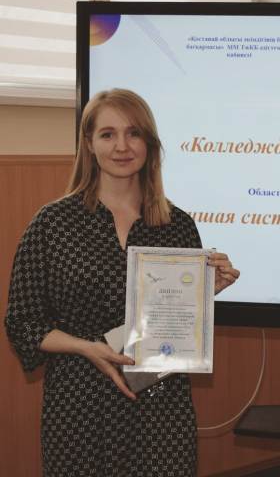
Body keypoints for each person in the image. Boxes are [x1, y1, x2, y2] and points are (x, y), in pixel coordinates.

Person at [5, 88, 239, 476]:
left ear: (149, 144)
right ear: (89, 144)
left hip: (160, 407)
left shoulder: (177, 225)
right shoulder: (52, 224)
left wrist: (204, 292)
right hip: (78, 403)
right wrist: (88, 348)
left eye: (134, 133)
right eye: (107, 134)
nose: (121, 146)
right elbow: (22, 323)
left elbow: (176, 319)